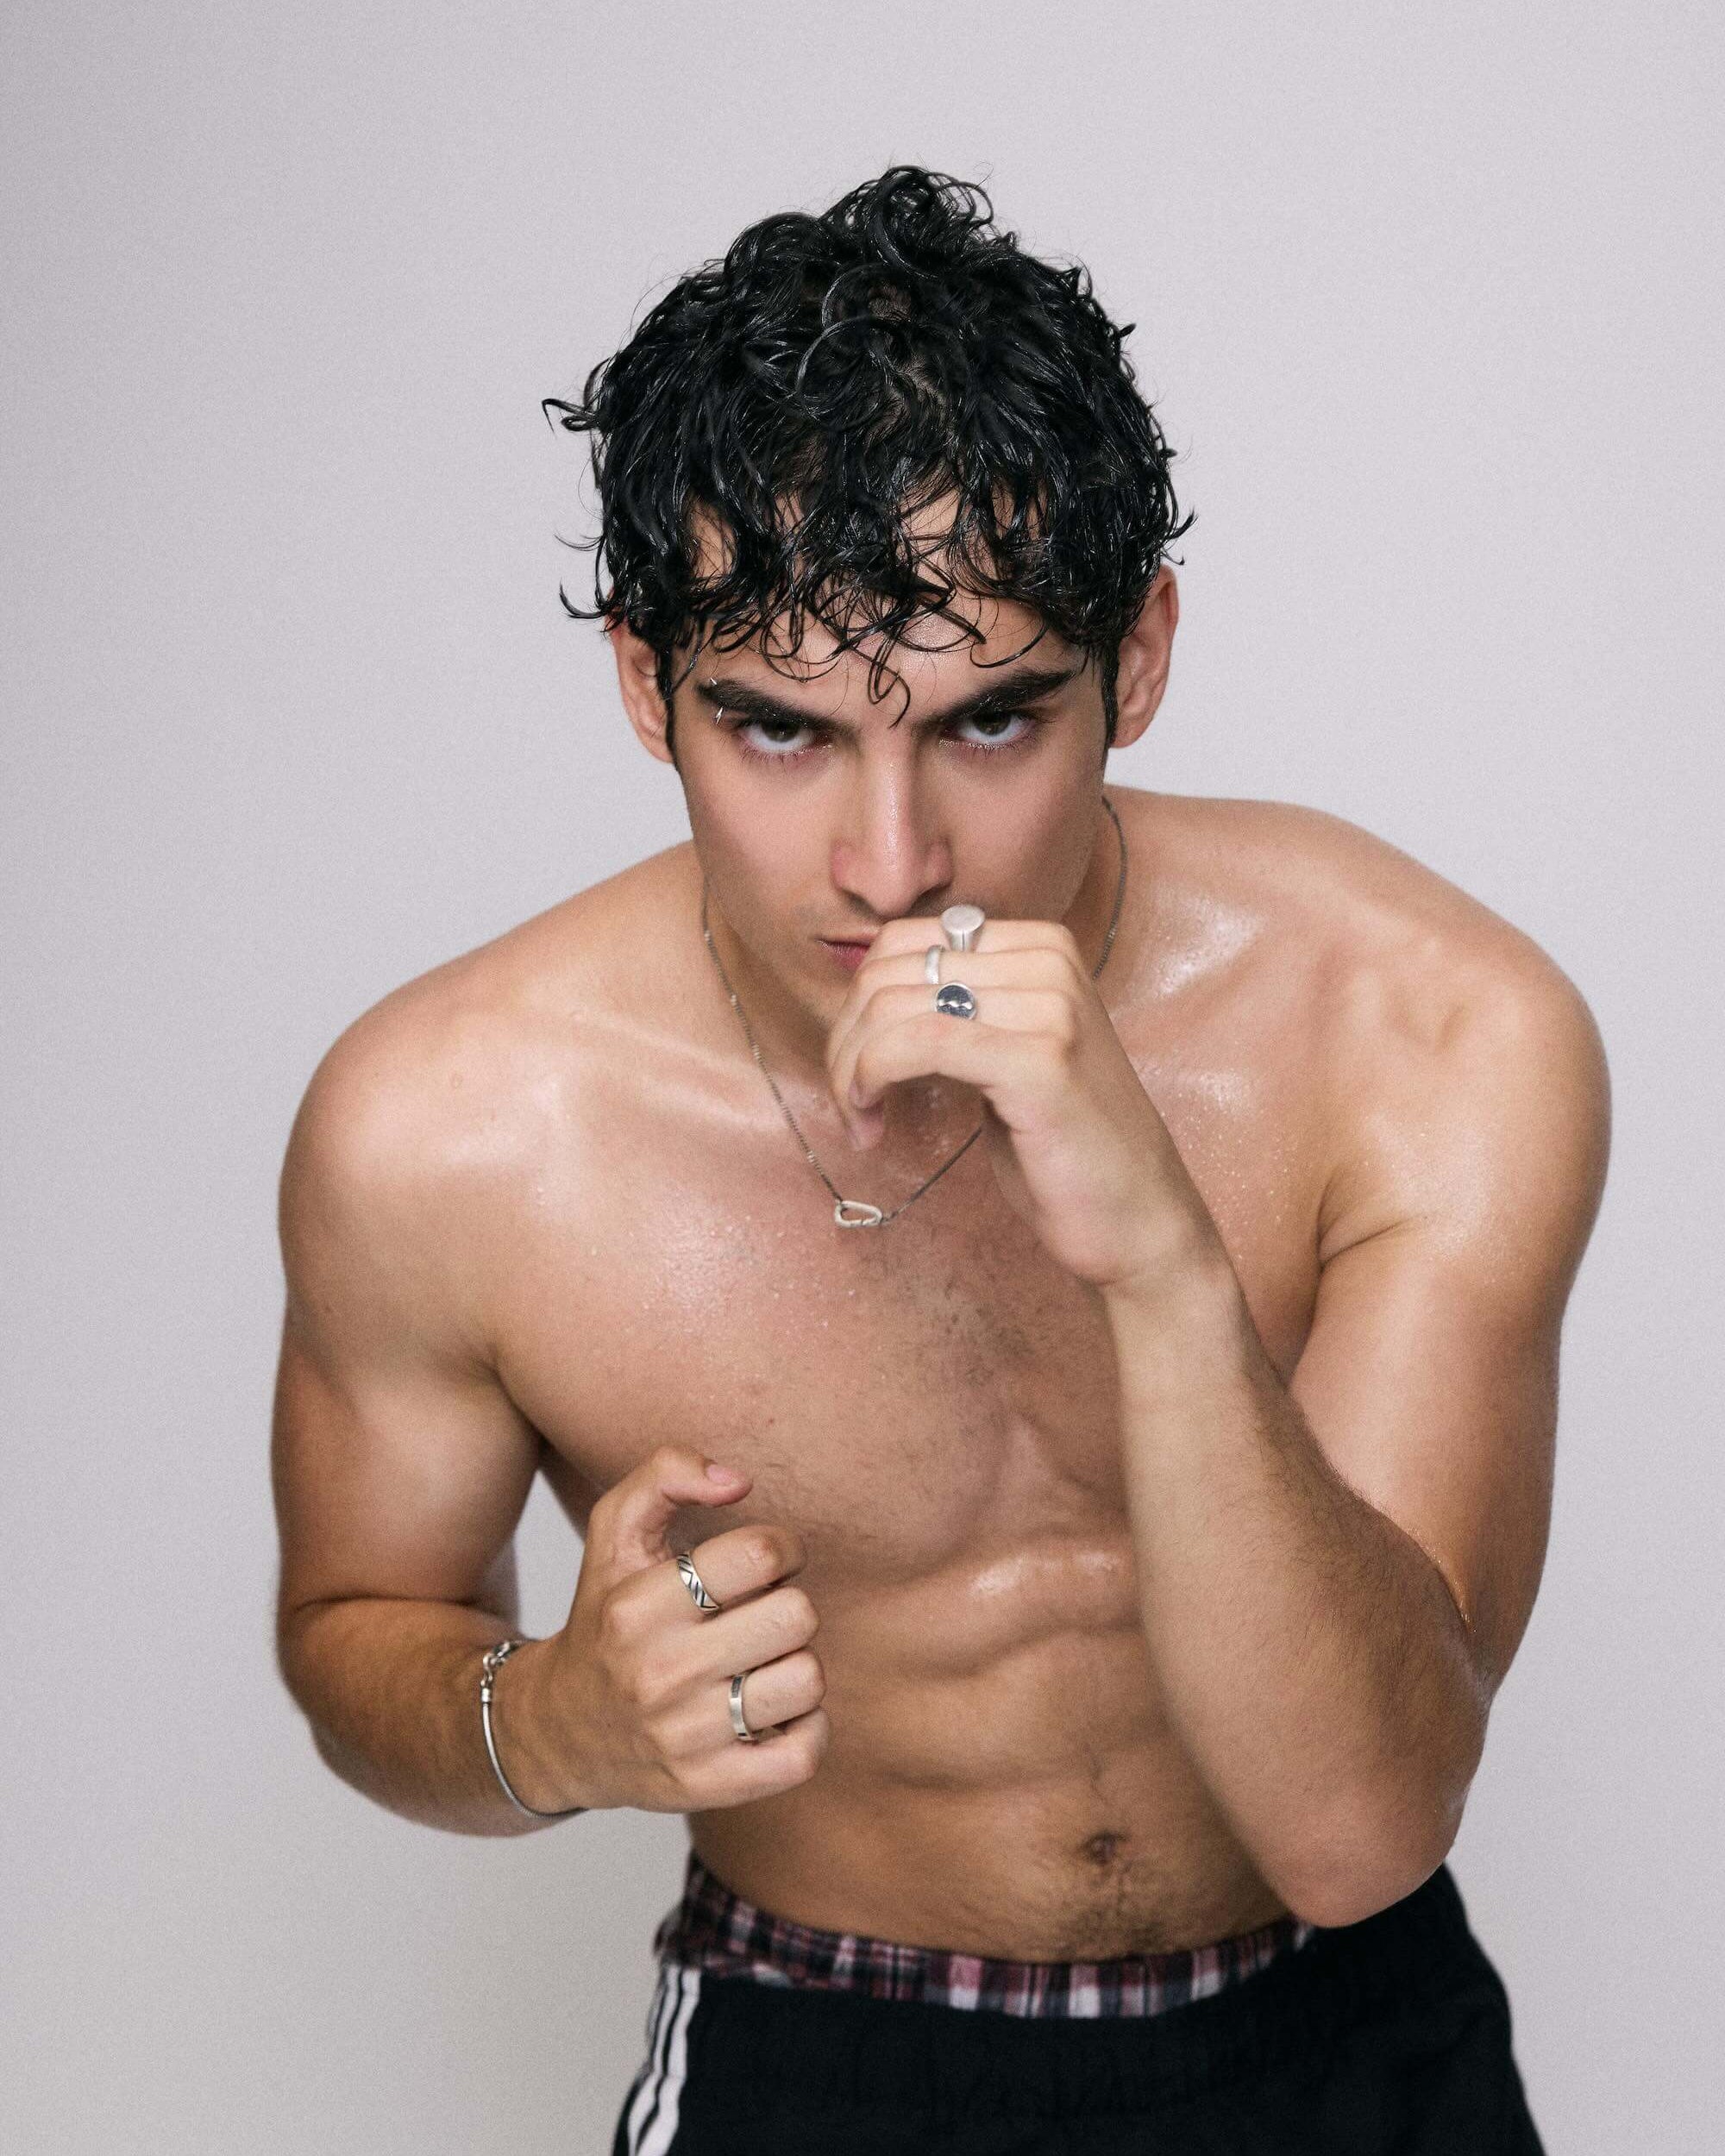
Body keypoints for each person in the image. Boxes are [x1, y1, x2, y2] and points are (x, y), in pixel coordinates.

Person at [270, 166, 1609, 2153]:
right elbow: (353, 1626)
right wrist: (545, 1719)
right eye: (779, 730)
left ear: (1134, 658)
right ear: (647, 687)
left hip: (1345, 2034)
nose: (893, 865)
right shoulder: (454, 1129)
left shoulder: (1423, 1026)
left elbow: (1359, 1824)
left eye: (992, 722)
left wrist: (1160, 1252)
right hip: (820, 2043)